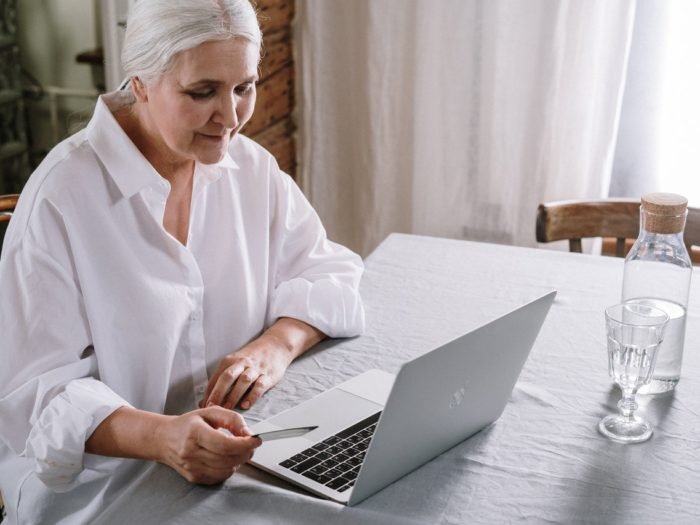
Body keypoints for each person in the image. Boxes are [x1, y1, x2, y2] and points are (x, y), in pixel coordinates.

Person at [0, 1, 365, 523]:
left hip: (234, 471)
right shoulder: (60, 201)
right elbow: (38, 401)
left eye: (245, 87)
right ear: (141, 81)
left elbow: (331, 272)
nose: (232, 116)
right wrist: (164, 438)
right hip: (103, 495)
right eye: (203, 92)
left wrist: (274, 346)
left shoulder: (250, 169)